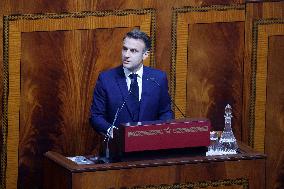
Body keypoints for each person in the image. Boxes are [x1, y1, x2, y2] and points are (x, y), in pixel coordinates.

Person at [90, 29, 173, 136]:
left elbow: (165, 112)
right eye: (125, 49)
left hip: (151, 146)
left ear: (145, 55)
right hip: (117, 147)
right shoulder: (106, 79)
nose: (126, 55)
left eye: (133, 51)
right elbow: (96, 116)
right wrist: (112, 131)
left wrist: (159, 132)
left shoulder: (158, 78)